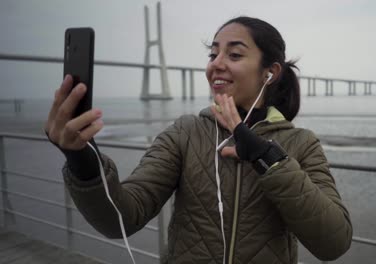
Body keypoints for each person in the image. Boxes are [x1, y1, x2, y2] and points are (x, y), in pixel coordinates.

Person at [45, 16, 352, 263]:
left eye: (233, 54)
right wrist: (82, 158)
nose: (216, 63)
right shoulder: (186, 132)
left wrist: (267, 158)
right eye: (213, 53)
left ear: (269, 73)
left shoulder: (301, 143)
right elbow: (121, 219)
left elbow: (333, 243)